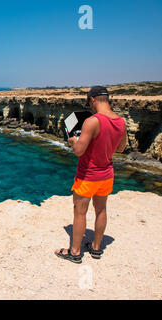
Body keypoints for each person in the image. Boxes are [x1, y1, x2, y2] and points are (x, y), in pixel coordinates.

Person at [55, 86, 127, 264]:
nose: (90, 107)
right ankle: (96, 248)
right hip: (107, 174)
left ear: (92, 100)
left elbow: (79, 151)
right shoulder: (121, 121)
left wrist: (74, 141)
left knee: (80, 213)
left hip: (88, 175)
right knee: (101, 210)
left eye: (89, 103)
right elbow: (121, 148)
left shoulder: (92, 121)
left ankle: (75, 252)